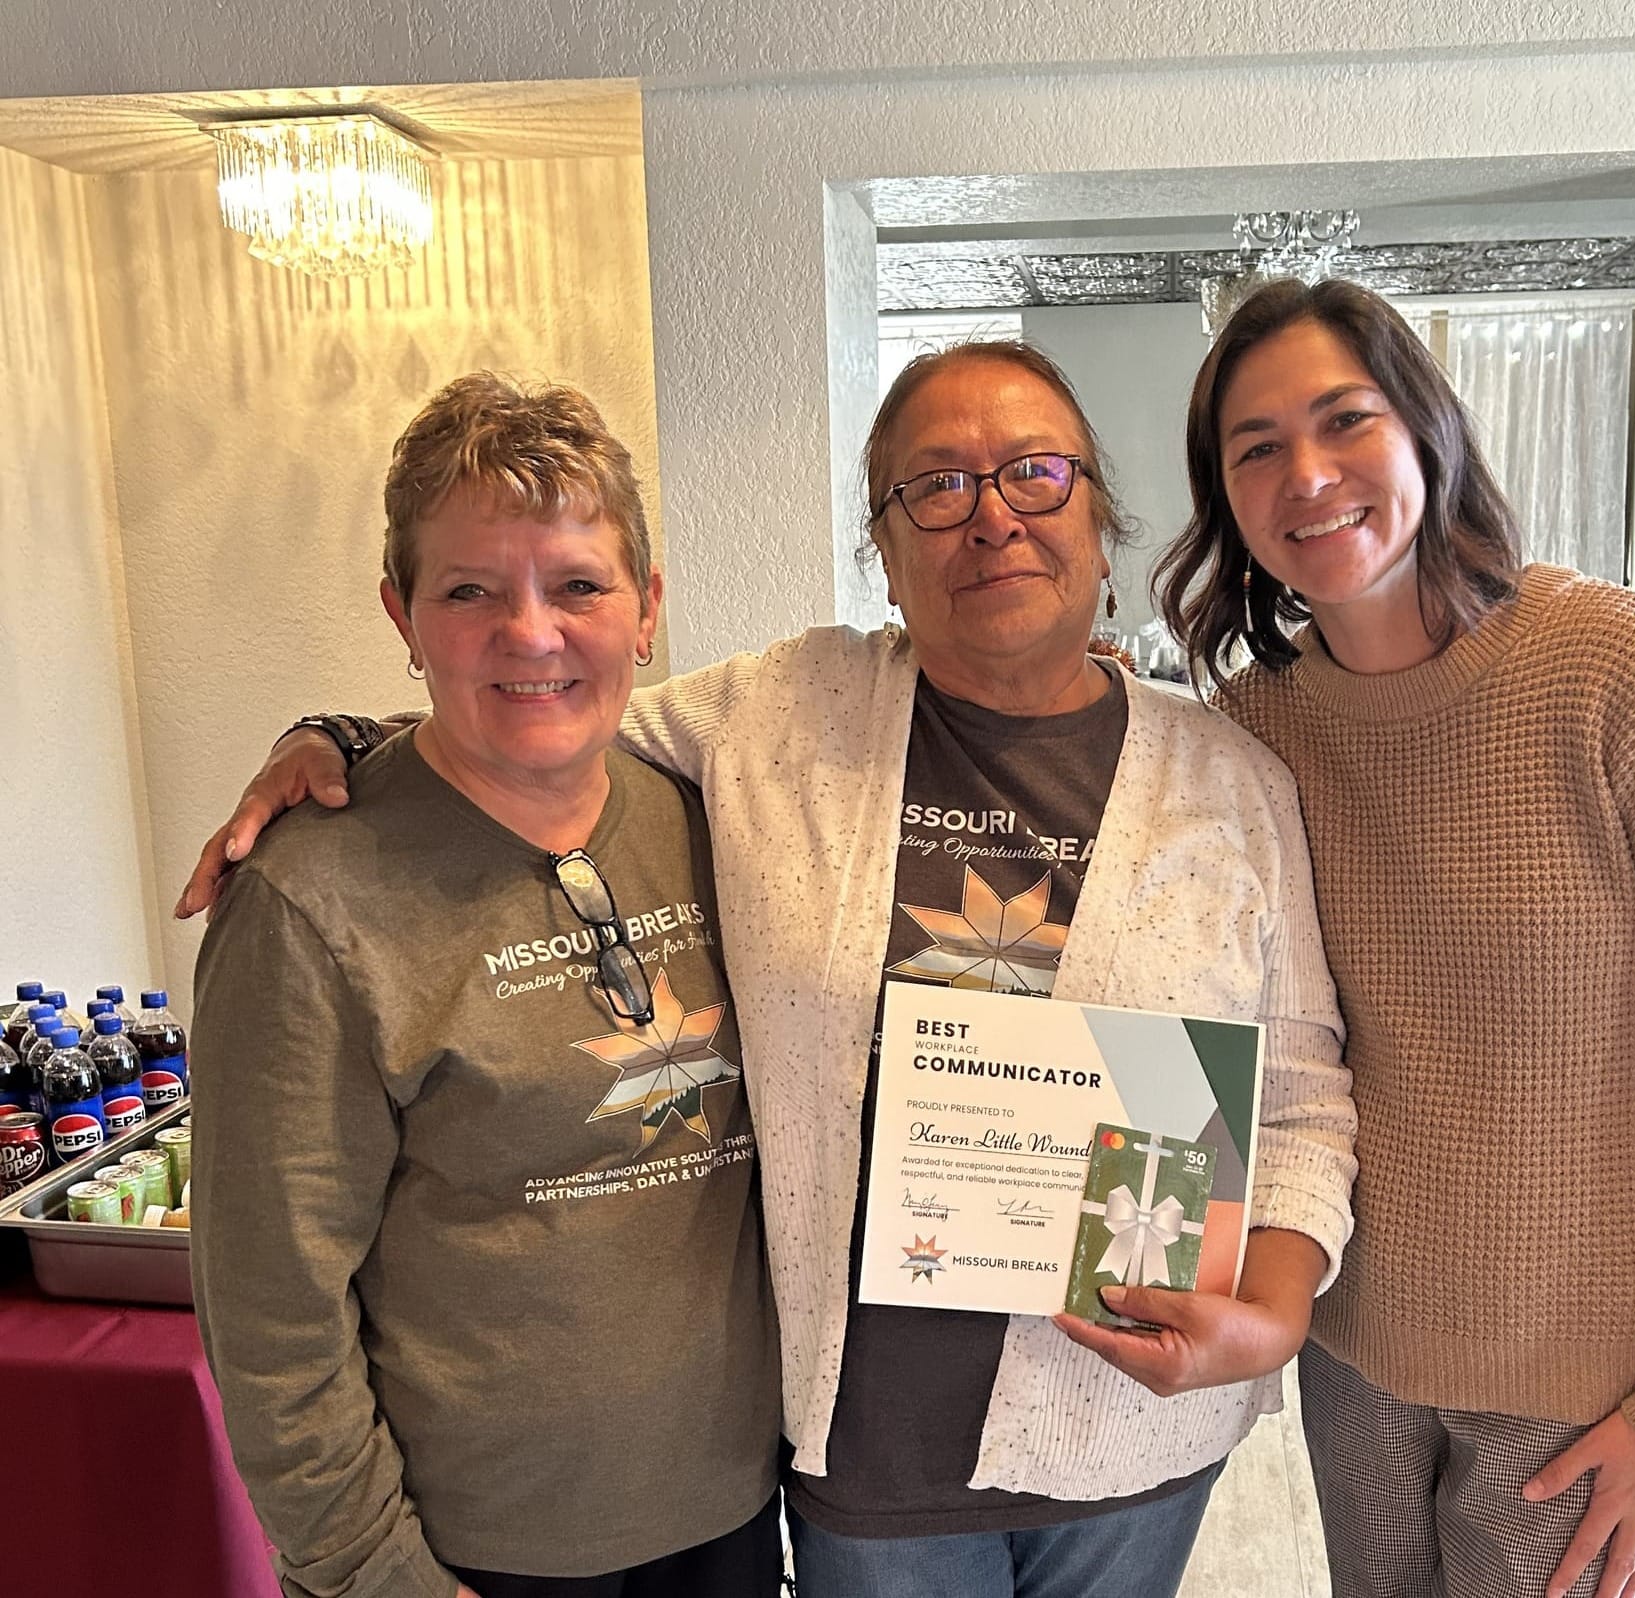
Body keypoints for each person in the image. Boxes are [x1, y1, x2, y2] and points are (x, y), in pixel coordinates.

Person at [180, 342, 1359, 1598]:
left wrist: (1275, 1305)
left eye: (1035, 473)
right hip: (859, 1460)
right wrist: (341, 742)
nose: (992, 516)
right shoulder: (781, 715)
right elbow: (535, 717)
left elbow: (1295, 1087)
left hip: (1125, 1433)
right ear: (884, 550)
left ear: (1102, 516)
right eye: (936, 487)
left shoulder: (1231, 782)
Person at [1156, 277, 1635, 1598]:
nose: (1307, 475)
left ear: (1428, 429)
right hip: (1356, 1358)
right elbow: (1225, 1035)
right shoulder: (1256, 731)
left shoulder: (1620, 670)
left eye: (1343, 420)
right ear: (1227, 501)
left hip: (1586, 1387)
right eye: (1256, 449)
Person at [189, 374, 783, 1598]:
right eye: (469, 590)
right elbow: (270, 1306)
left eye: (578, 583)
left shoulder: (715, 817)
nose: (531, 632)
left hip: (733, 1509)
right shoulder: (307, 901)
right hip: (473, 1552)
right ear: (401, 615)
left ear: (646, 609)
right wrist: (370, 1571)